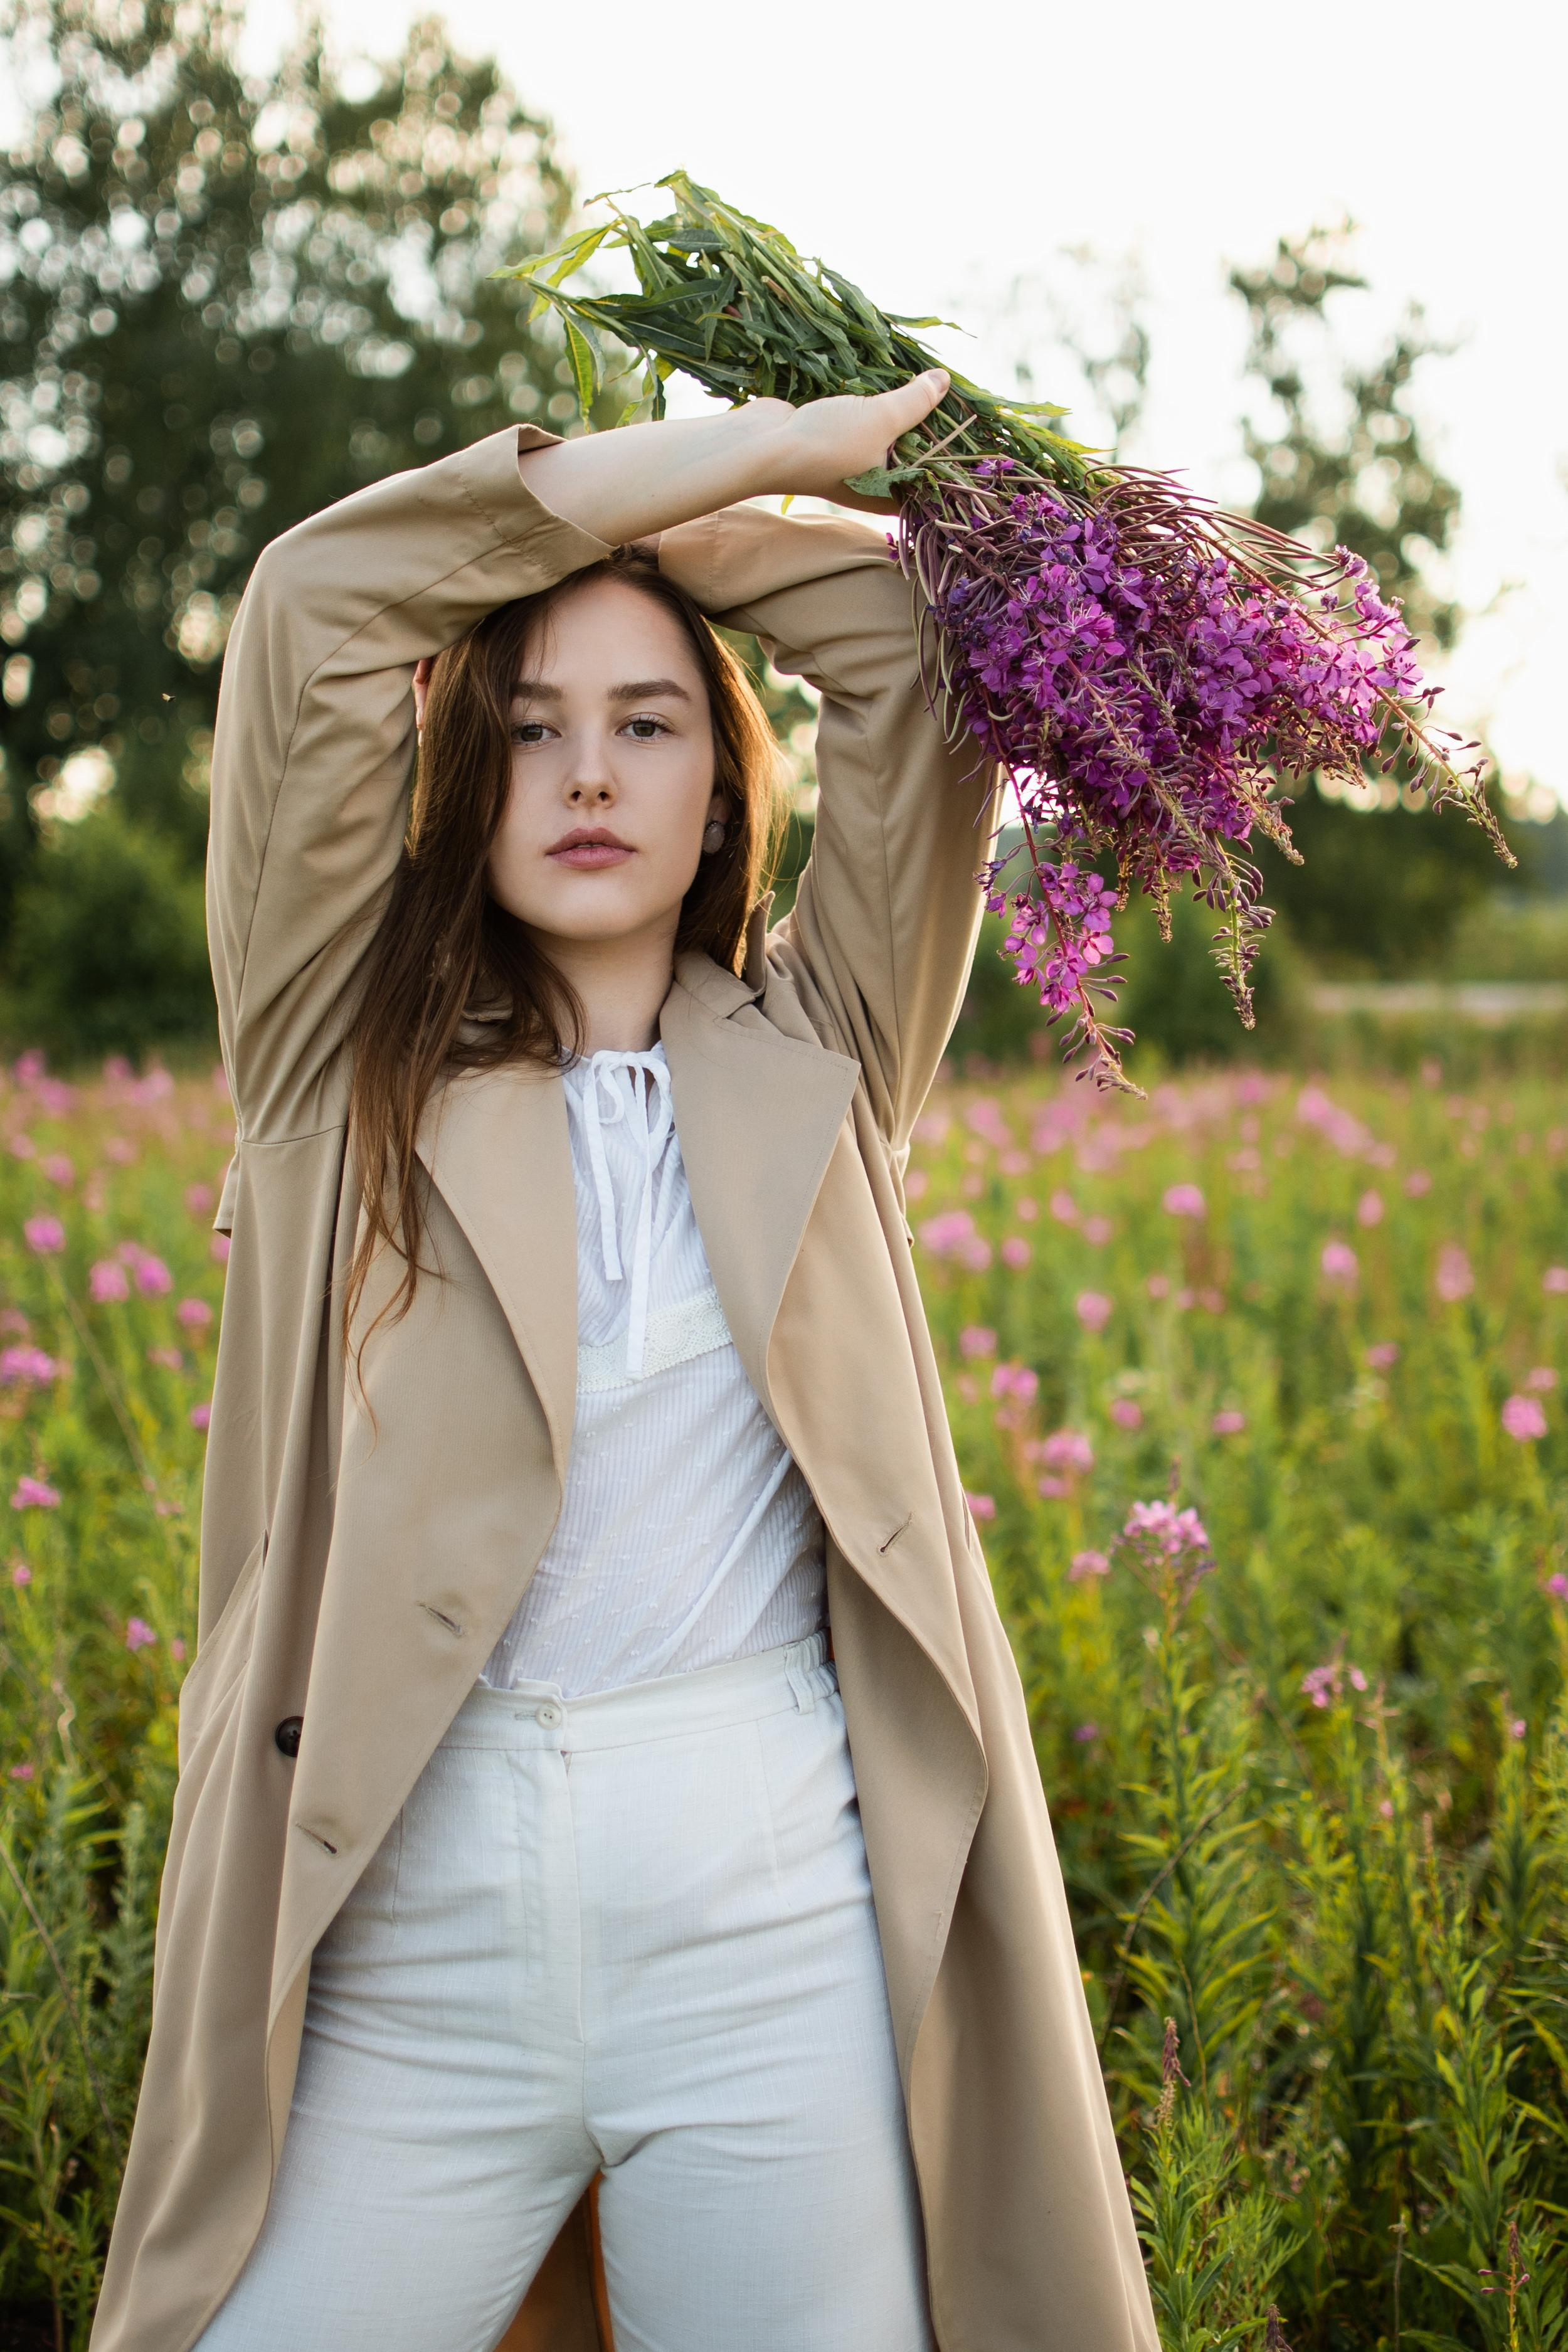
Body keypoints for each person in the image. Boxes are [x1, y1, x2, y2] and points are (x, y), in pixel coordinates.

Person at [91, 374, 1160, 2352]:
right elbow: (319, 609)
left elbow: (913, 658)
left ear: (722, 789)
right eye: (526, 729)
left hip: (766, 1910)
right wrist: (721, 461)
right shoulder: (335, 1064)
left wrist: (667, 535)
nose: (587, 774)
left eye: (648, 725)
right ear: (458, 781)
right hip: (411, 1923)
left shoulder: (818, 1051)